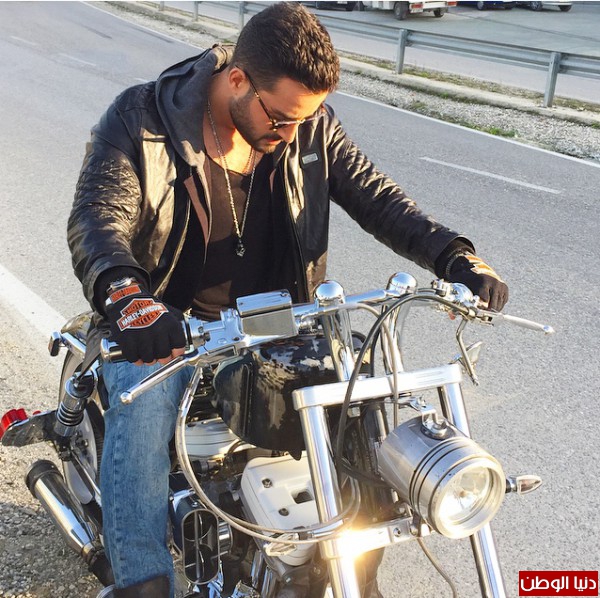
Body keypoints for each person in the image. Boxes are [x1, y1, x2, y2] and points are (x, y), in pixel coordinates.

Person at [68, 3, 508, 597]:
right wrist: (128, 296)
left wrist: (455, 256)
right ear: (237, 81)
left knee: (361, 387)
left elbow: (380, 199)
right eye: (280, 118)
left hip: (276, 322)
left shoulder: (309, 127)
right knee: (143, 402)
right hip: (170, 325)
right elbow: (98, 219)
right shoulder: (141, 120)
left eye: (306, 118)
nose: (292, 135)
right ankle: (143, 578)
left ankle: (353, 568)